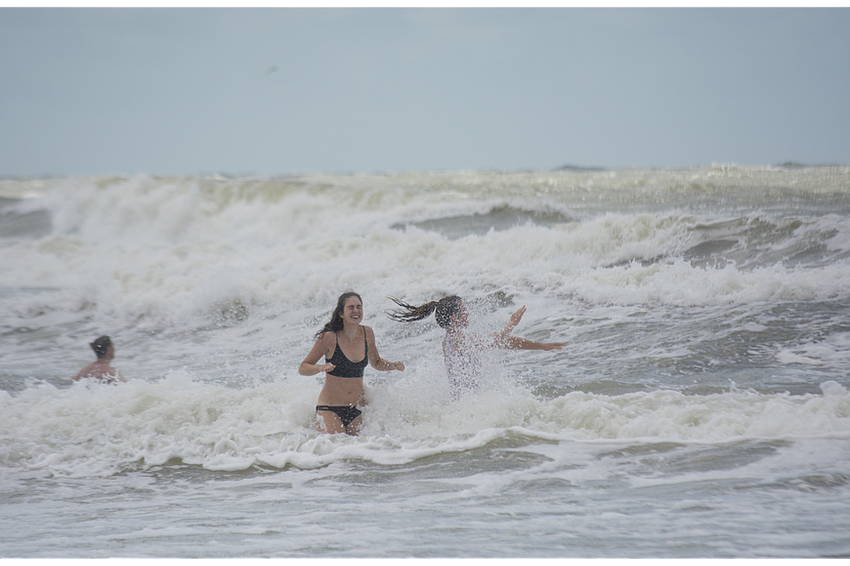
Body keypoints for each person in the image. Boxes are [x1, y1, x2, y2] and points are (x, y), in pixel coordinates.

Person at [388, 296, 566, 399]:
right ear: (456, 316)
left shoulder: (457, 339)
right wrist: (511, 323)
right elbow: (493, 340)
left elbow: (503, 342)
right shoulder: (454, 341)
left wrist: (541, 346)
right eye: (465, 309)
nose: (469, 313)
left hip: (469, 403)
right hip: (465, 405)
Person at [299, 292, 405, 435]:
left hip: (357, 408)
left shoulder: (367, 333)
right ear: (341, 313)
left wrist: (393, 365)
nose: (356, 311)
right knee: (337, 446)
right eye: (351, 307)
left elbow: (376, 362)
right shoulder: (329, 337)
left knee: (360, 451)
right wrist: (320, 367)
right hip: (330, 408)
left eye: (359, 307)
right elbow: (303, 367)